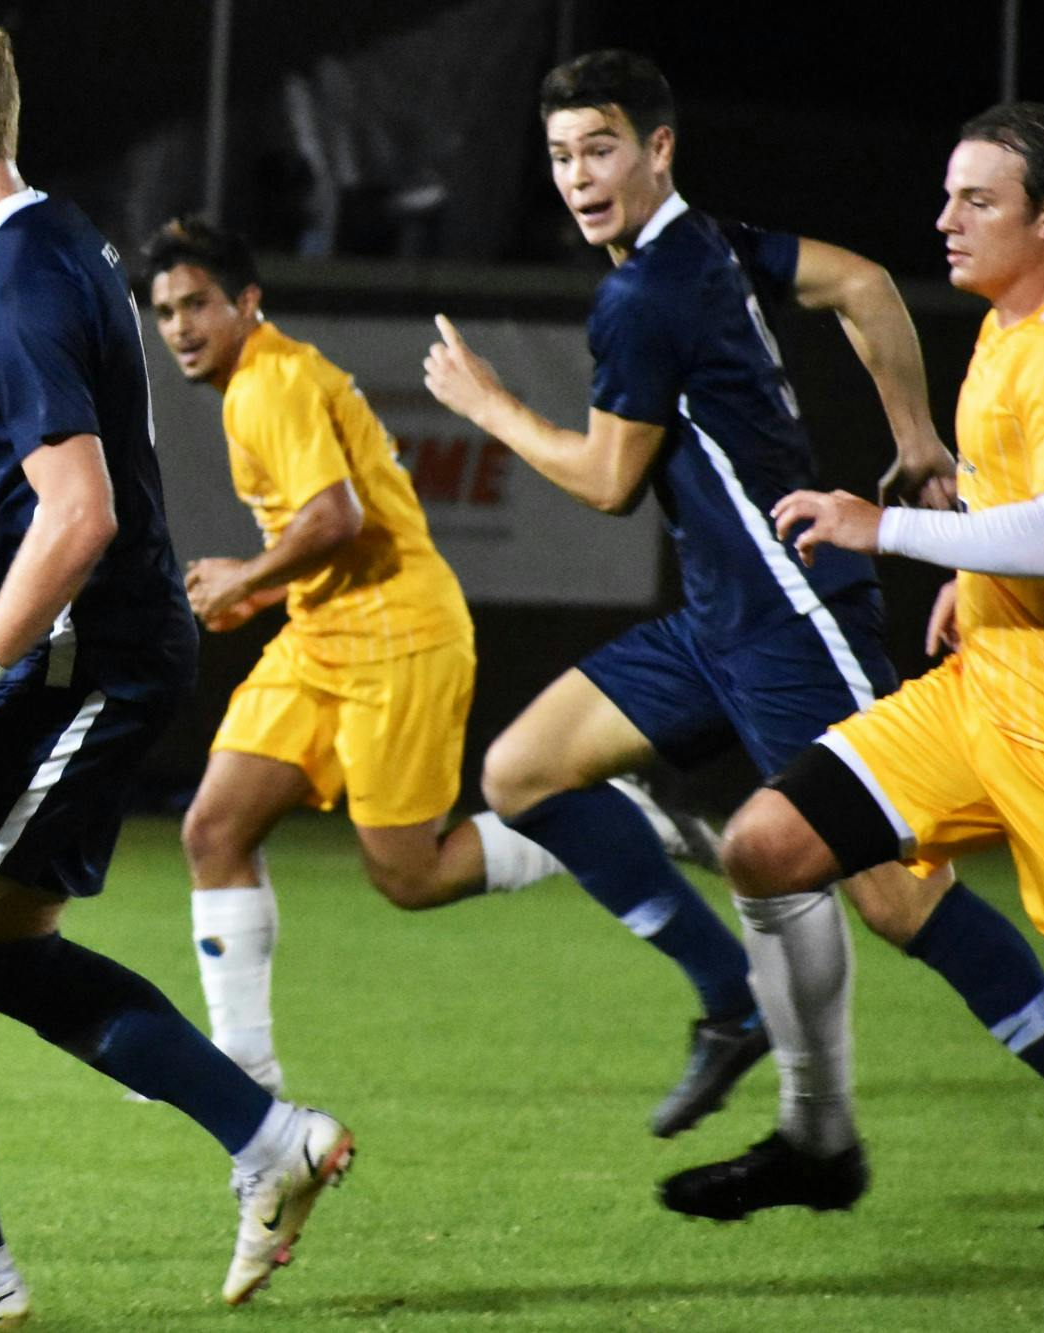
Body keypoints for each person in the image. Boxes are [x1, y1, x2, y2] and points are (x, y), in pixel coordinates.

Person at [424, 51, 1044, 1225]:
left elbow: (609, 481)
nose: (577, 177)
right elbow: (867, 284)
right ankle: (736, 1003)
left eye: (600, 148)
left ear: (657, 149)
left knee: (895, 897)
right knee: (521, 773)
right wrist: (924, 451)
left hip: (790, 615)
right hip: (715, 618)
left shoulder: (645, 294)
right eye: (560, 155)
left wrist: (486, 407)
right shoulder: (722, 243)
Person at [0, 9, 353, 1325]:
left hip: (75, 663)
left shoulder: (19, 279)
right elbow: (0, 436)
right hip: (97, 652)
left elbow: (79, 512)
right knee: (2, 953)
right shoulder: (30, 251)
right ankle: (271, 1141)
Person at [673, 101, 1044, 1230]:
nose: (943, 219)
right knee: (766, 842)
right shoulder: (1009, 319)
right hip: (980, 688)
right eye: (947, 193)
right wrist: (970, 572)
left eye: (975, 201)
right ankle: (813, 1132)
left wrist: (886, 529)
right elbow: (1026, 511)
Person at [144, 215, 718, 1099]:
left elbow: (337, 518)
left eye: (197, 304)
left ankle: (610, 824)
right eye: (165, 310)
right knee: (214, 830)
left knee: (410, 876)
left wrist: (245, 575)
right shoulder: (255, 383)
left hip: (397, 638)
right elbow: (337, 523)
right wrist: (265, 589)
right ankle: (244, 1066)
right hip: (322, 630)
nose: (179, 326)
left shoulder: (271, 383)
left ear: (247, 302)